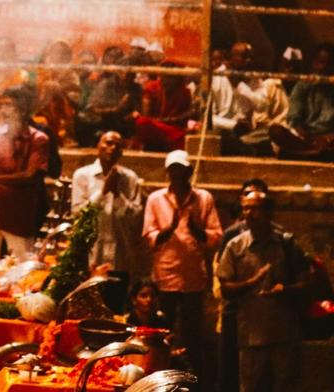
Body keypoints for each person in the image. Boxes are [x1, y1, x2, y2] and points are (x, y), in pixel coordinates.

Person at [216, 188, 305, 392]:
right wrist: (252, 282)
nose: (248, 214)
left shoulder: (286, 244)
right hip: (250, 336)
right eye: (245, 208)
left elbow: (306, 283)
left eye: (254, 209)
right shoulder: (235, 246)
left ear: (268, 212)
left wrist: (285, 289)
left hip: (283, 335)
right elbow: (226, 288)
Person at [143, 149, 222, 371]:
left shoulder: (203, 198)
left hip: (192, 278)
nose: (176, 175)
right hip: (165, 276)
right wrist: (170, 228)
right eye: (173, 170)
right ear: (167, 173)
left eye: (181, 170)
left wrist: (196, 230)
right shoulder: (156, 199)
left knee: (192, 336)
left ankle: (192, 378)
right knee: (162, 333)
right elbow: (150, 237)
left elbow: (216, 237)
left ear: (189, 171)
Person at [0, 87, 49, 272]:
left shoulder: (38, 139)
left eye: (9, 105)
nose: (3, 111)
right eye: (2, 106)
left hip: (19, 214)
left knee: (23, 268)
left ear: (23, 109)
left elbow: (30, 175)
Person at [70, 129, 144, 279]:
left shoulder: (130, 178)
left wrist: (117, 194)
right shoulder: (82, 176)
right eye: (109, 143)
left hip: (120, 256)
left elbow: (135, 218)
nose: (113, 148)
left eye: (118, 145)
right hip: (90, 255)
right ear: (98, 146)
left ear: (122, 152)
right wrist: (102, 192)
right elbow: (77, 214)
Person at [271, 42, 334, 160]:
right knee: (276, 131)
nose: (323, 68)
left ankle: (304, 154)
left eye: (329, 64)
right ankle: (317, 154)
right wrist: (309, 137)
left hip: (333, 139)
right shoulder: (303, 85)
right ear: (314, 63)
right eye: (321, 63)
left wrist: (329, 138)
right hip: (306, 137)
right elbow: (294, 118)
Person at [74, 45, 139, 145]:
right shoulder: (106, 83)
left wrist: (132, 113)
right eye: (123, 71)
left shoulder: (136, 88)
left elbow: (138, 111)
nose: (126, 75)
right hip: (106, 119)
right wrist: (116, 109)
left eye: (130, 72)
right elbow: (94, 108)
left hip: (122, 122)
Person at [133, 70, 194, 152]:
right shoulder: (151, 87)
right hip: (156, 127)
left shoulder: (185, 91)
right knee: (142, 122)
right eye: (166, 77)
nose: (168, 80)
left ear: (178, 79)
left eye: (172, 77)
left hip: (173, 131)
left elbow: (185, 118)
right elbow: (146, 117)